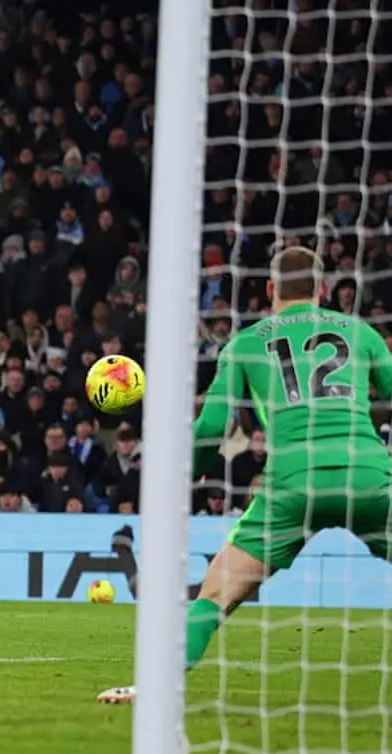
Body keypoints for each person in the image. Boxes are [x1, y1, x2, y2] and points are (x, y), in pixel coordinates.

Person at [97, 247, 392, 703]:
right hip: (368, 475)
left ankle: (153, 690)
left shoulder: (245, 344)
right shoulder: (361, 333)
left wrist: (186, 479)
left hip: (293, 484)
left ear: (270, 289)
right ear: (323, 289)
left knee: (217, 593)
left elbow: (212, 428)